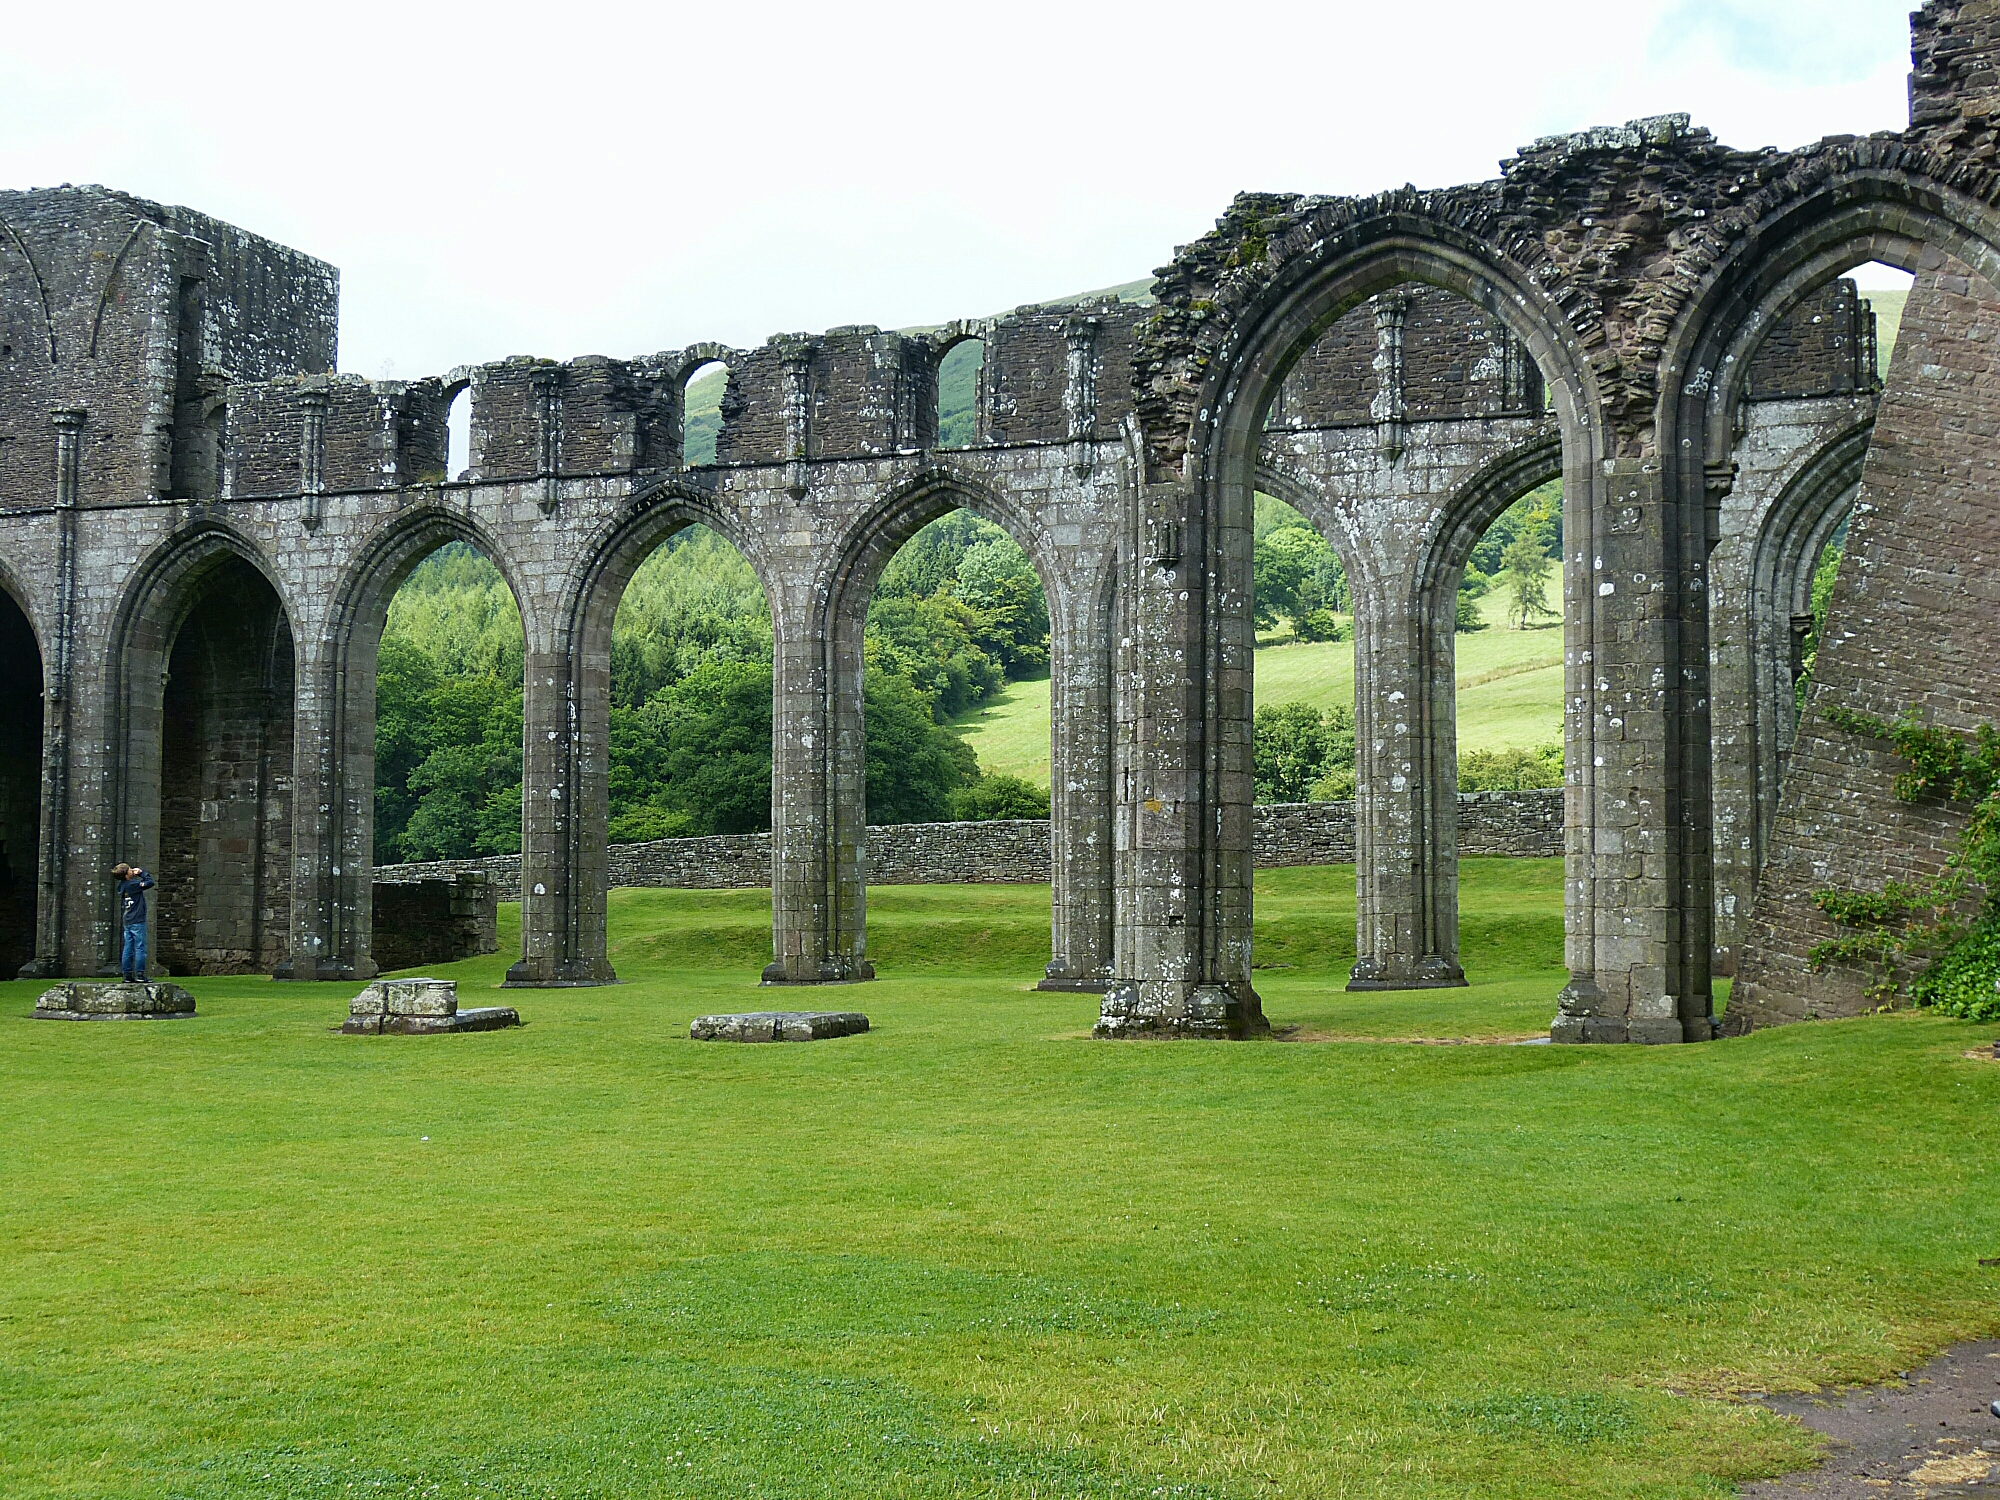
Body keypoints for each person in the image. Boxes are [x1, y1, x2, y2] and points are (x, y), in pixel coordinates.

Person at [113, 862, 156, 984]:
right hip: (137, 919)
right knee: (140, 947)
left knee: (128, 947)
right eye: (130, 870)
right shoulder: (132, 884)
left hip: (128, 919)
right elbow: (150, 882)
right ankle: (140, 974)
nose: (132, 870)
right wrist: (142, 873)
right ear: (126, 875)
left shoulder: (122, 886)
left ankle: (127, 975)